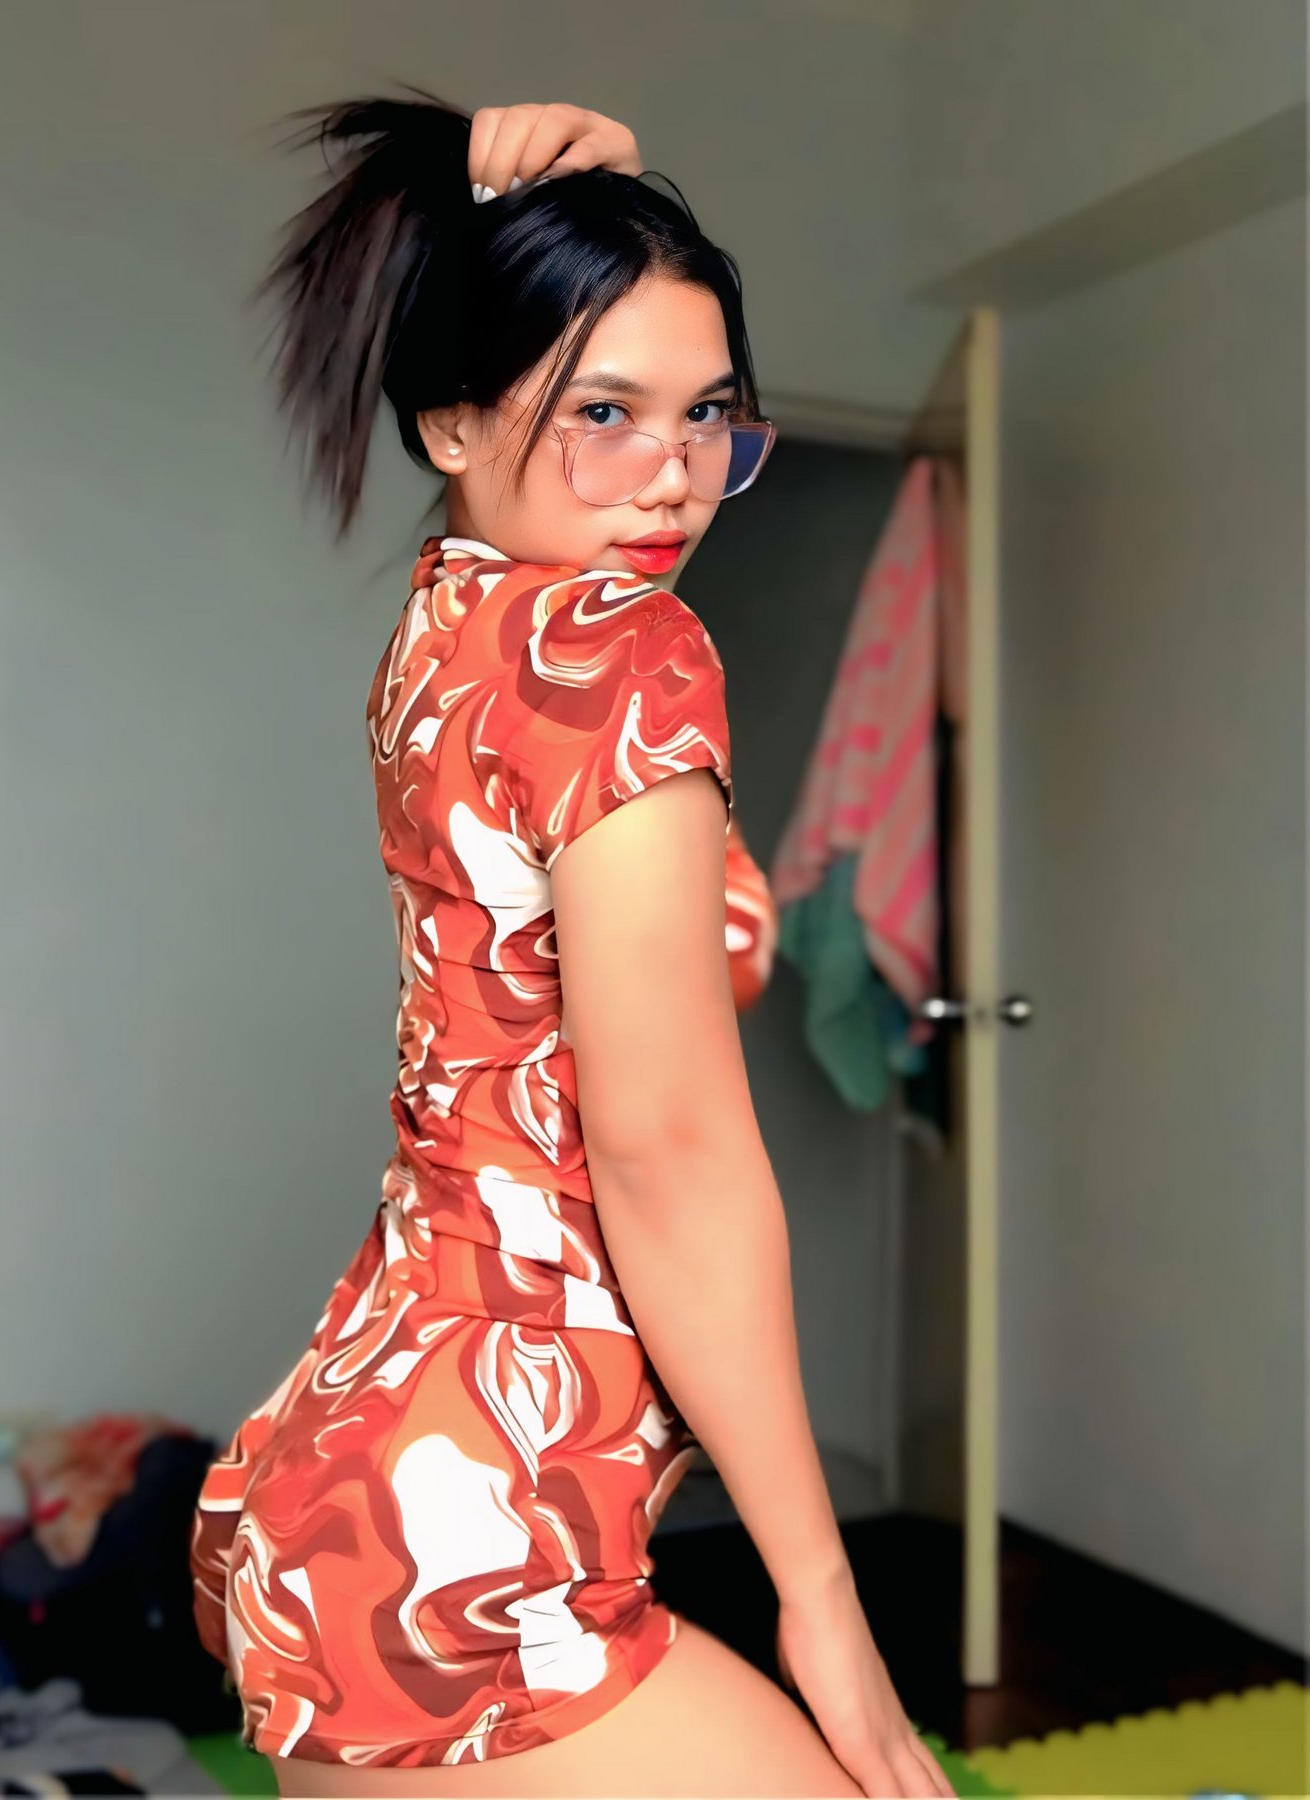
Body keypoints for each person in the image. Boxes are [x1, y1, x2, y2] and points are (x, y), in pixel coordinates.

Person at [188, 91, 955, 1800]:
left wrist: (543, 234)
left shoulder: (445, 629)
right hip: (476, 1538)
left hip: (352, 1492)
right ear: (450, 418)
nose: (670, 476)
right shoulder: (621, 650)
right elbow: (665, 1151)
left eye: (707, 416)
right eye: (602, 412)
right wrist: (822, 1602)